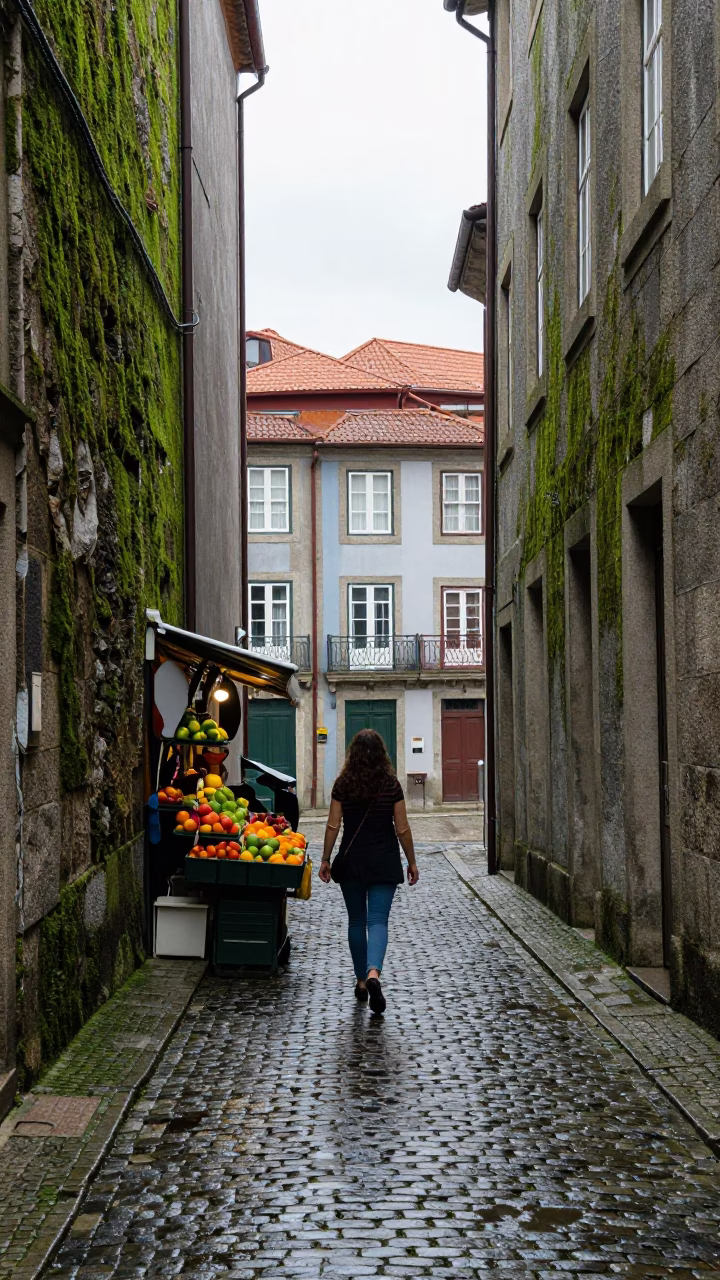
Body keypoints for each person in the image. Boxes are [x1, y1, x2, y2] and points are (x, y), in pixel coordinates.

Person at [318, 729, 419, 1014]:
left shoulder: (343, 784)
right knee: (378, 921)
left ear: (353, 755)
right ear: (382, 754)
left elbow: (332, 826)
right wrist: (412, 862)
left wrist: (325, 858)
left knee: (355, 922)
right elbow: (402, 828)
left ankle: (361, 982)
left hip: (352, 861)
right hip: (384, 861)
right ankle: (374, 973)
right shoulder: (391, 784)